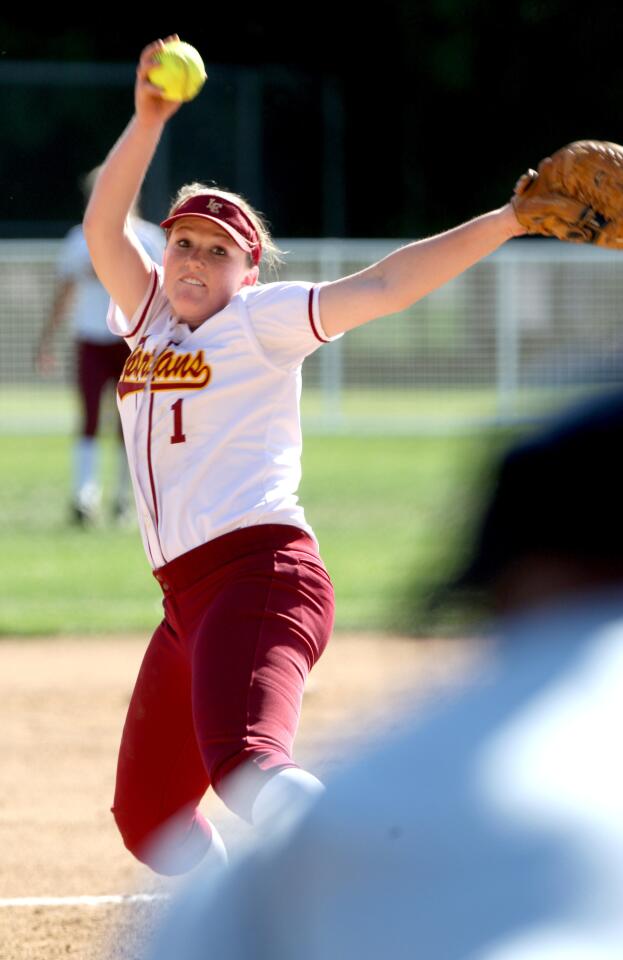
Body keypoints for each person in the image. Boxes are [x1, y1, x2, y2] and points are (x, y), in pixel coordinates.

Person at [83, 33, 526, 876]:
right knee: (151, 821)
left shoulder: (261, 321)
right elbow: (105, 225)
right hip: (185, 603)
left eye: (219, 251)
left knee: (247, 766)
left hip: (260, 573)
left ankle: (404, 883)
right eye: (183, 242)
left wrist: (507, 219)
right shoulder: (146, 322)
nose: (195, 259)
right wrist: (149, 120)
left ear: (247, 273)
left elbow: (389, 286)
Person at [145, 390, 623, 959]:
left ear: (505, 591)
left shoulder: (374, 806)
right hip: (192, 592)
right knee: (155, 805)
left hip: (252, 580)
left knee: (245, 760)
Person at [36, 168, 164, 525]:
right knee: (89, 417)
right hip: (91, 338)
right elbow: (64, 293)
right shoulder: (80, 239)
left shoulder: (149, 239)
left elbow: (164, 298)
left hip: (134, 345)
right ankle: (84, 496)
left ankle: (126, 498)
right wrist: (46, 338)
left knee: (132, 423)